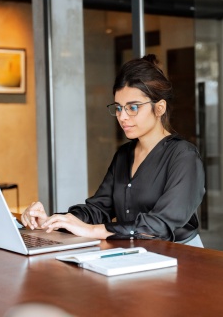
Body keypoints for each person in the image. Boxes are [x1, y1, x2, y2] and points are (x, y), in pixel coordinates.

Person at [21, 54, 205, 247]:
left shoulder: (184, 156)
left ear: (159, 108)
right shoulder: (124, 155)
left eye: (132, 107)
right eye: (118, 108)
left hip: (182, 257)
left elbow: (158, 225)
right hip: (135, 253)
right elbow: (98, 209)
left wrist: (93, 230)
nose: (122, 117)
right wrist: (53, 221)